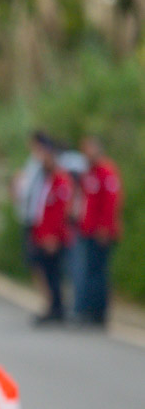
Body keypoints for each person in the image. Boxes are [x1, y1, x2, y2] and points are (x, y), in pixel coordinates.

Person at [75, 136, 121, 326]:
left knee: (98, 274)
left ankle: (99, 313)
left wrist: (104, 227)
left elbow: (111, 202)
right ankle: (89, 310)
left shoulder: (107, 172)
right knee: (90, 272)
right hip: (88, 230)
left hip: (101, 232)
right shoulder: (89, 173)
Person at [29, 136, 73, 325]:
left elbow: (60, 212)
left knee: (54, 274)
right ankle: (52, 306)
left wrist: (52, 236)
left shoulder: (61, 180)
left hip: (54, 237)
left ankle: (57, 308)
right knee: (47, 272)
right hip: (43, 235)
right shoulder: (48, 179)